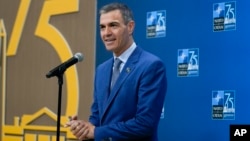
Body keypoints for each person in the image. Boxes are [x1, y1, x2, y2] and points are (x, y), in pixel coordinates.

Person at [65, 2, 167, 141]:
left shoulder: (151, 66)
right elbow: (97, 118)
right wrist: (84, 128)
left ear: (130, 27)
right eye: (102, 27)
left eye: (113, 25)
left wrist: (96, 132)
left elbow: (144, 124)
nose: (106, 33)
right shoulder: (102, 70)